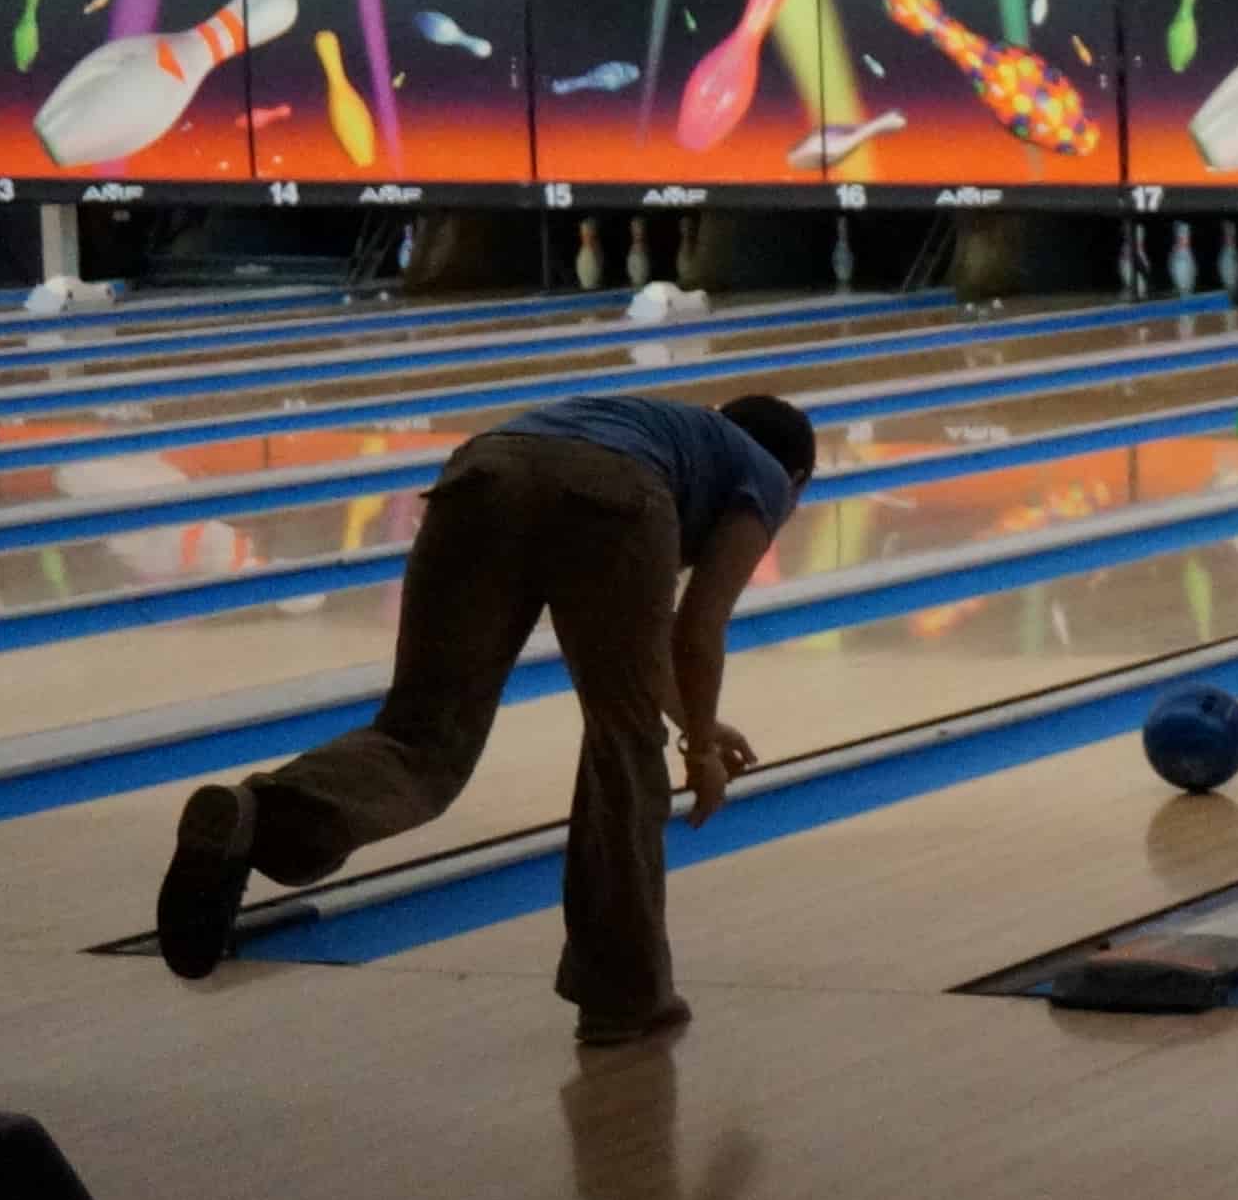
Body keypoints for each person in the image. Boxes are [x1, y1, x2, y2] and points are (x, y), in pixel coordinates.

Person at [155, 390, 816, 1048]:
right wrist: (698, 750)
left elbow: (650, 644)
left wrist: (694, 718)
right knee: (623, 749)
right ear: (798, 481)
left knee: (421, 735)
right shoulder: (764, 476)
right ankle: (624, 999)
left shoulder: (674, 430)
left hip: (483, 471)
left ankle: (258, 815)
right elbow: (698, 628)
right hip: (610, 494)